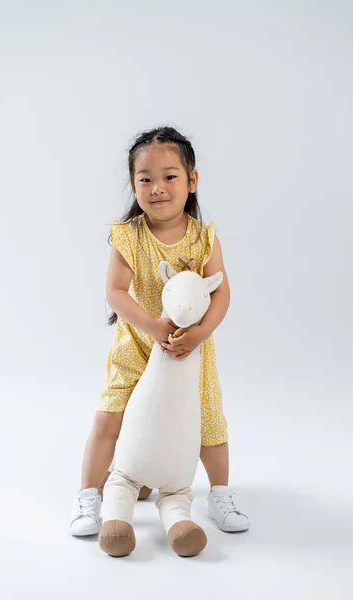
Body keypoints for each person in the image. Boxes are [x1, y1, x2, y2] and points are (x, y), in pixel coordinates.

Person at [69, 126, 250, 536]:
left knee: (208, 422)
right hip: (137, 343)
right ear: (133, 185)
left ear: (192, 180)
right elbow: (115, 292)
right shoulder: (129, 235)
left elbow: (221, 294)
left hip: (190, 350)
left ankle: (219, 493)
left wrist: (200, 333)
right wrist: (152, 327)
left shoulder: (205, 238)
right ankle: (88, 498)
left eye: (170, 176)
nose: (157, 188)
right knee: (108, 418)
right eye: (145, 179)